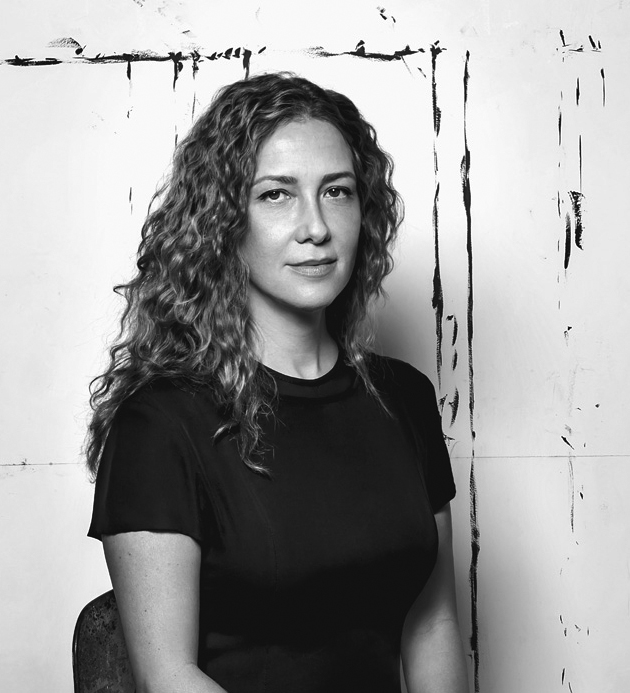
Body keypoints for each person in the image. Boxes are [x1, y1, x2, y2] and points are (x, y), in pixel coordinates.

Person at [87, 72, 468, 693]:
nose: (316, 227)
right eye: (276, 195)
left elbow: (432, 625)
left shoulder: (405, 397)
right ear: (221, 221)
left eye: (337, 191)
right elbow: (169, 677)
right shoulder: (160, 424)